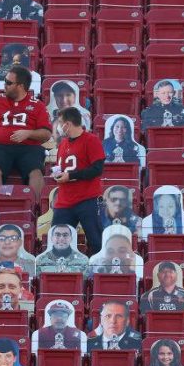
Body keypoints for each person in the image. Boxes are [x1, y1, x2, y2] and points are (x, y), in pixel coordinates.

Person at [0, 65, 52, 195]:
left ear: (21, 86)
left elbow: (46, 134)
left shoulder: (38, 105)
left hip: (29, 148)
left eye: (8, 82)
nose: (4, 85)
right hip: (0, 147)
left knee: (36, 172)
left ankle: (36, 207)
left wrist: (29, 133)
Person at [50, 106, 106, 255]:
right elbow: (64, 168)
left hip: (87, 199)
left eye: (61, 122)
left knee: (96, 241)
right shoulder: (63, 143)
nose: (59, 126)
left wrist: (71, 176)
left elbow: (97, 169)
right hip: (64, 200)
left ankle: (95, 275)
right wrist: (59, 175)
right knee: (56, 242)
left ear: (67, 124)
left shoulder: (91, 140)